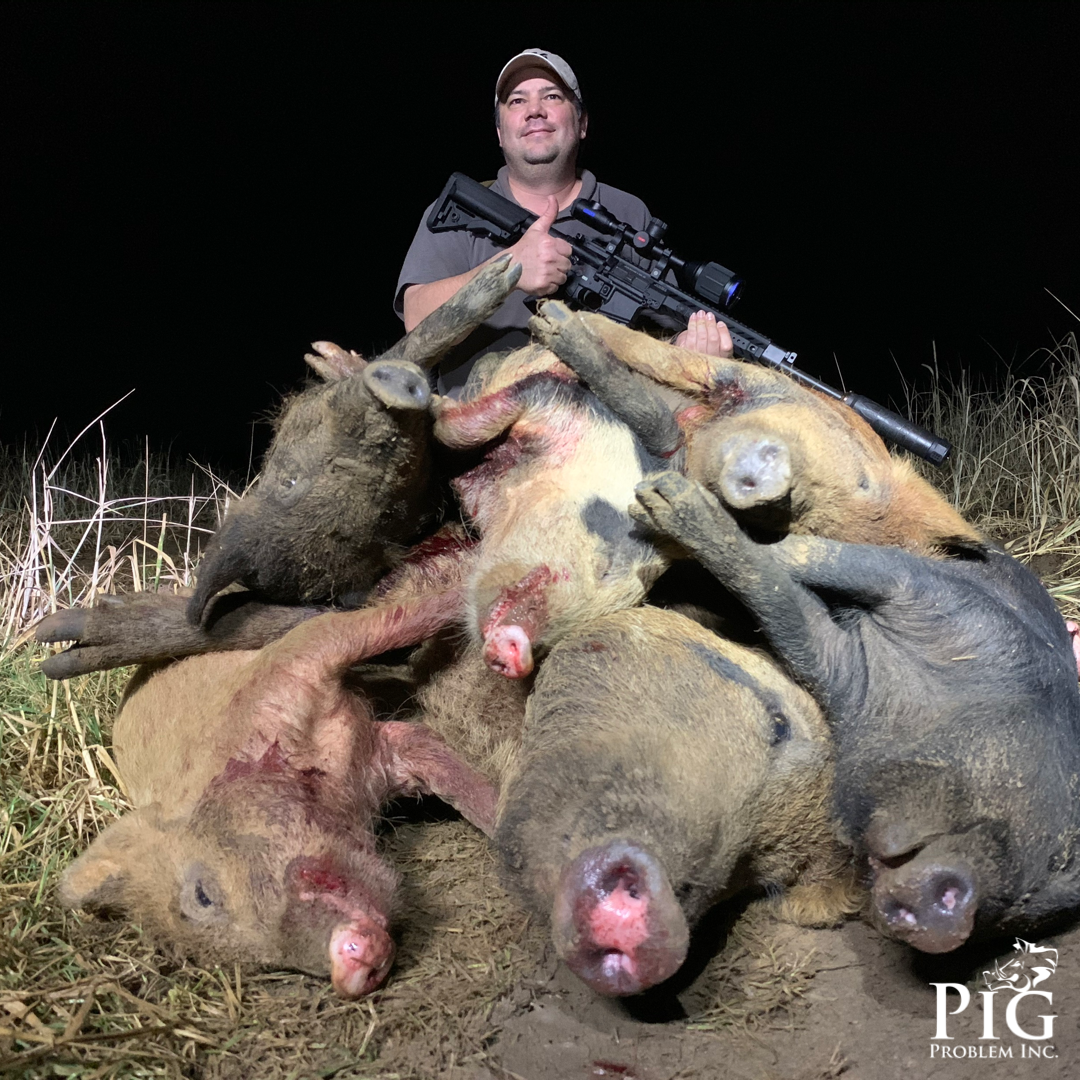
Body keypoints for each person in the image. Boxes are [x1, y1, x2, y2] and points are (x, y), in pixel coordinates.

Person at [394, 48, 732, 393]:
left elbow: (664, 326)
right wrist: (506, 270)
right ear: (499, 133)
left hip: (604, 421)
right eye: (517, 101)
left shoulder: (626, 211)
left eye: (552, 96)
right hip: (480, 420)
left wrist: (686, 351)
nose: (535, 111)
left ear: (582, 124)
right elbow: (417, 322)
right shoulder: (463, 209)